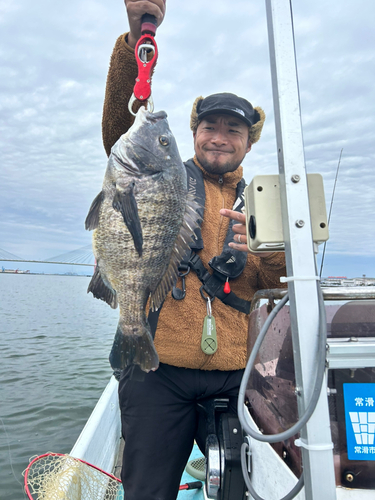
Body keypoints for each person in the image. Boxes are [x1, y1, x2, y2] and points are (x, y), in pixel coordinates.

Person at [102, 1, 286, 498]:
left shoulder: (266, 200)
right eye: (210, 126)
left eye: (234, 130)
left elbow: (279, 281)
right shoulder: (164, 176)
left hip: (232, 377)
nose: (220, 137)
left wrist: (261, 250)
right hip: (157, 369)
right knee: (147, 490)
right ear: (193, 131)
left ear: (249, 143)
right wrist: (132, 45)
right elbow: (122, 129)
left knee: (240, 491)